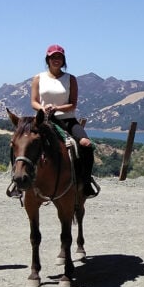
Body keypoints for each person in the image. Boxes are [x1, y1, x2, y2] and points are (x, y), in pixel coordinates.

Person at [30, 44, 99, 198]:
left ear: (63, 60)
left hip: (67, 120)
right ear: (48, 59)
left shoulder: (70, 79)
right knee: (21, 142)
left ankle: (86, 182)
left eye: (59, 57)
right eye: (53, 57)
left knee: (86, 145)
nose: (56, 60)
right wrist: (42, 109)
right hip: (44, 120)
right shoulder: (38, 78)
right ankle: (18, 181)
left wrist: (57, 107)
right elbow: (33, 102)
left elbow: (73, 104)